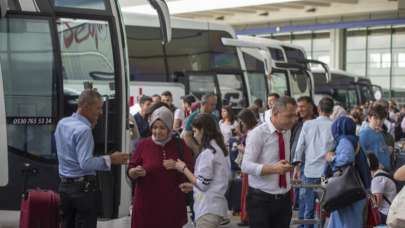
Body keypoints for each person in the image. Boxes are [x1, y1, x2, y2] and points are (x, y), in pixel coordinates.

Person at [55, 89, 129, 228]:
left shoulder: (62, 123)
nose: (101, 112)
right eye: (98, 108)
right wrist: (111, 159)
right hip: (83, 191)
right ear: (86, 107)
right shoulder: (84, 130)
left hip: (64, 187)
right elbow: (85, 163)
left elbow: (68, 154)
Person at [128, 106, 194, 228]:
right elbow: (130, 169)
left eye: (162, 128)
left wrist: (176, 166)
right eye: (154, 127)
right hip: (146, 205)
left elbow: (191, 169)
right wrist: (134, 171)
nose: (157, 131)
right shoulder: (143, 144)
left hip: (171, 205)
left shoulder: (179, 145)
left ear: (169, 127)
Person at [242, 96, 297, 228]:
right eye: (289, 116)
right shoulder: (258, 134)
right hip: (261, 200)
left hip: (284, 198)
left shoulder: (287, 131)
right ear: (275, 114)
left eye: (294, 115)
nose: (293, 120)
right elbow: (245, 166)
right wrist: (274, 169)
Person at [174, 114, 231, 228]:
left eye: (195, 131)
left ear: (202, 130)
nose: (194, 135)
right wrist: (192, 186)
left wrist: (184, 169)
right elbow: (211, 181)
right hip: (214, 206)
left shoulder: (208, 153)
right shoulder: (217, 149)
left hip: (208, 209)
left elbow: (202, 184)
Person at [293, 96, 335, 228]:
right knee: (322, 207)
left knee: (308, 207)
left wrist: (297, 166)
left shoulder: (308, 124)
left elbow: (300, 147)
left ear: (318, 109)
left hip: (309, 172)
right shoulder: (334, 126)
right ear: (332, 110)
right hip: (325, 174)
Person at [325, 116, 368, 228]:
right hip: (354, 189)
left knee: (346, 222)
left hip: (346, 191)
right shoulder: (354, 140)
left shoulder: (344, 140)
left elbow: (346, 158)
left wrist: (332, 159)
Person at [290, 96, 316, 212]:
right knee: (303, 196)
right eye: (298, 107)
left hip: (313, 168)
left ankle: (313, 223)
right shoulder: (297, 124)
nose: (299, 109)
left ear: (311, 107)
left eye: (302, 106)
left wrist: (298, 165)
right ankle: (304, 223)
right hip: (299, 167)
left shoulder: (317, 124)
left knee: (317, 194)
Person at [235, 109, 258, 227]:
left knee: (247, 193)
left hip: (249, 168)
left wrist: (242, 149)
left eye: (241, 122)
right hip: (249, 168)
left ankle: (247, 216)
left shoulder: (252, 133)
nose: (239, 124)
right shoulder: (253, 132)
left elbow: (251, 152)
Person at [359, 105, 391, 171]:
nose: (379, 122)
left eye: (381, 119)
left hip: (385, 170)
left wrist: (387, 149)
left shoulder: (379, 132)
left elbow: (379, 149)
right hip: (376, 172)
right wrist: (376, 165)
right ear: (369, 118)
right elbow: (362, 154)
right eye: (375, 118)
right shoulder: (364, 134)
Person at [368, 153, 397, 225]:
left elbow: (376, 204)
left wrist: (368, 196)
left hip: (385, 213)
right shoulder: (382, 172)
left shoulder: (377, 179)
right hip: (392, 209)